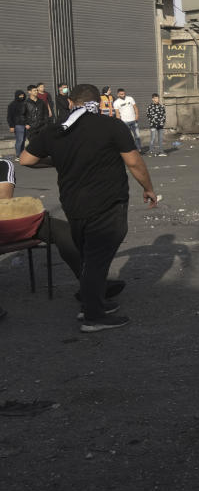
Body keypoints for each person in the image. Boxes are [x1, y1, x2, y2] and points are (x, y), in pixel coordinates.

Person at [20, 84, 157, 332]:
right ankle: (93, 315)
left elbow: (26, 159)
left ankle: (95, 303)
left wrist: (59, 161)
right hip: (107, 202)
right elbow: (134, 161)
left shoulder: (56, 130)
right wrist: (148, 188)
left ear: (71, 103)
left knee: (89, 257)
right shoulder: (111, 126)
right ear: (98, 103)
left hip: (73, 205)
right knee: (96, 259)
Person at [1, 156, 123, 316]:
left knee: (66, 233)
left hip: (9, 219)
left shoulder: (3, 164)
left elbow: (3, 198)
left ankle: (91, 287)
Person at [7, 89, 27, 155]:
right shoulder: (12, 105)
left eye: (22, 95)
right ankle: (18, 155)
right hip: (18, 125)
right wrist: (11, 126)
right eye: (20, 95)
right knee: (19, 140)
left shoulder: (25, 103)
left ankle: (22, 153)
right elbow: (9, 117)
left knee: (23, 140)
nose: (22, 96)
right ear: (16, 96)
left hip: (25, 125)